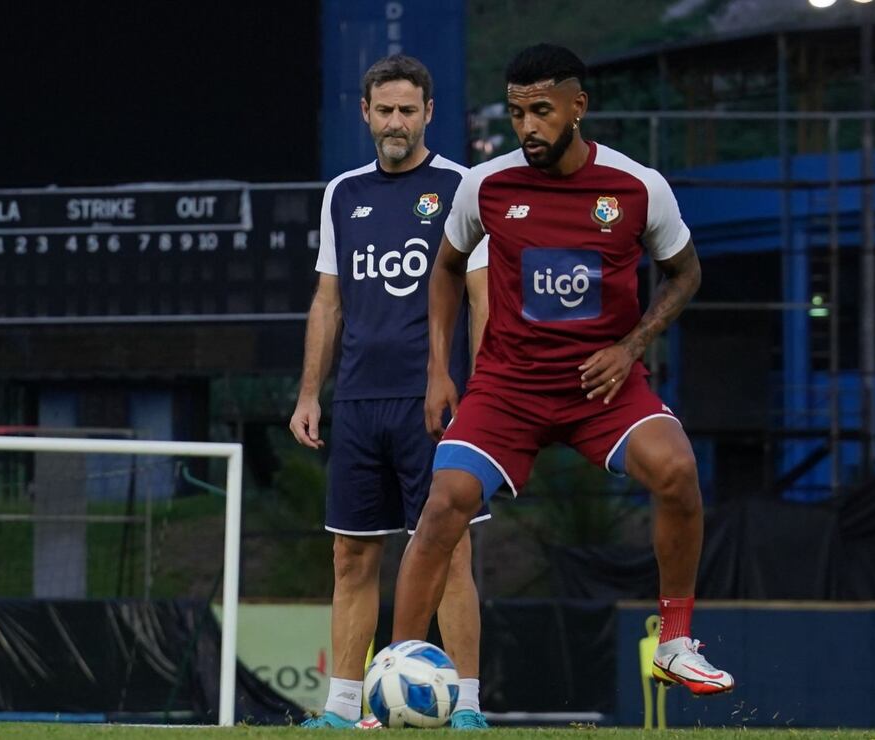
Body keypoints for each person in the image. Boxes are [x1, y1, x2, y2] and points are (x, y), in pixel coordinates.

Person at [389, 43, 734, 696]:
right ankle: (398, 671)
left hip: (602, 387)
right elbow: (446, 268)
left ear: (579, 106)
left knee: (678, 470)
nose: (528, 128)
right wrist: (439, 369)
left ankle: (677, 640)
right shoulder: (485, 186)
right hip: (508, 387)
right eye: (517, 114)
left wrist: (632, 346)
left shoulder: (637, 188)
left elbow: (684, 272)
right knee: (443, 505)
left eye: (541, 111)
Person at [289, 54, 491, 729]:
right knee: (351, 553)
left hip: (433, 406)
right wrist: (309, 394)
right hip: (356, 404)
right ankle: (343, 709)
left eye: (409, 109)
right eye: (385, 110)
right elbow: (328, 301)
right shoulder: (343, 192)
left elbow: (481, 297)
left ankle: (466, 706)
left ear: (429, 113)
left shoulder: (463, 187)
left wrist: (484, 392)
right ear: (366, 113)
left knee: (451, 551)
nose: (396, 121)